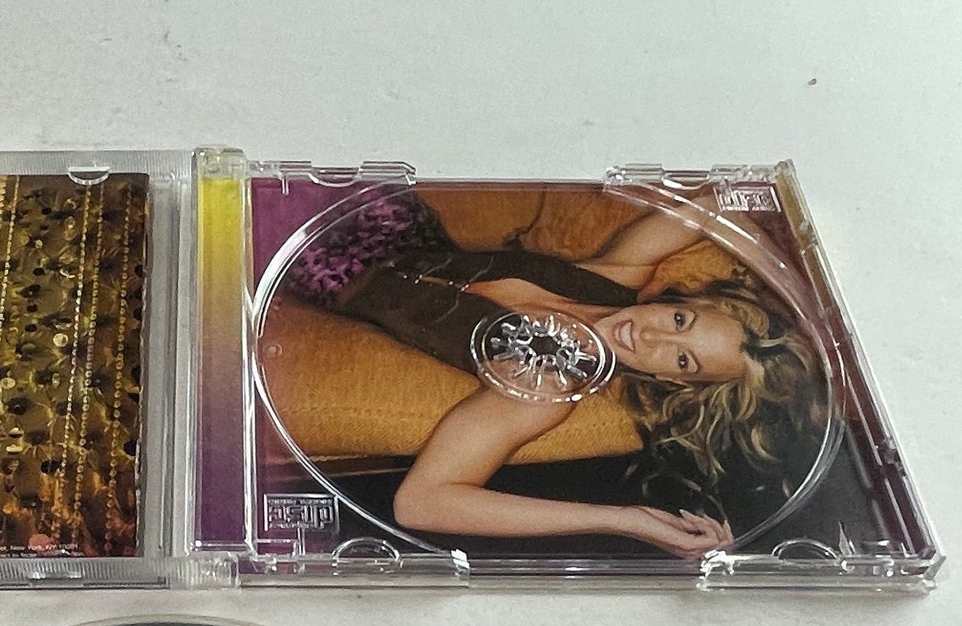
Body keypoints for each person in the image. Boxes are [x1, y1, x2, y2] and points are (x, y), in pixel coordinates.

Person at [283, 191, 827, 558]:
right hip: (377, 206)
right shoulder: (616, 276)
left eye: (683, 360)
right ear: (681, 301)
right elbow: (714, 207)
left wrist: (624, 520)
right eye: (680, 321)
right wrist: (810, 309)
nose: (653, 337)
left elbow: (421, 503)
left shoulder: (546, 384)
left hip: (309, 264)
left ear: (681, 383)